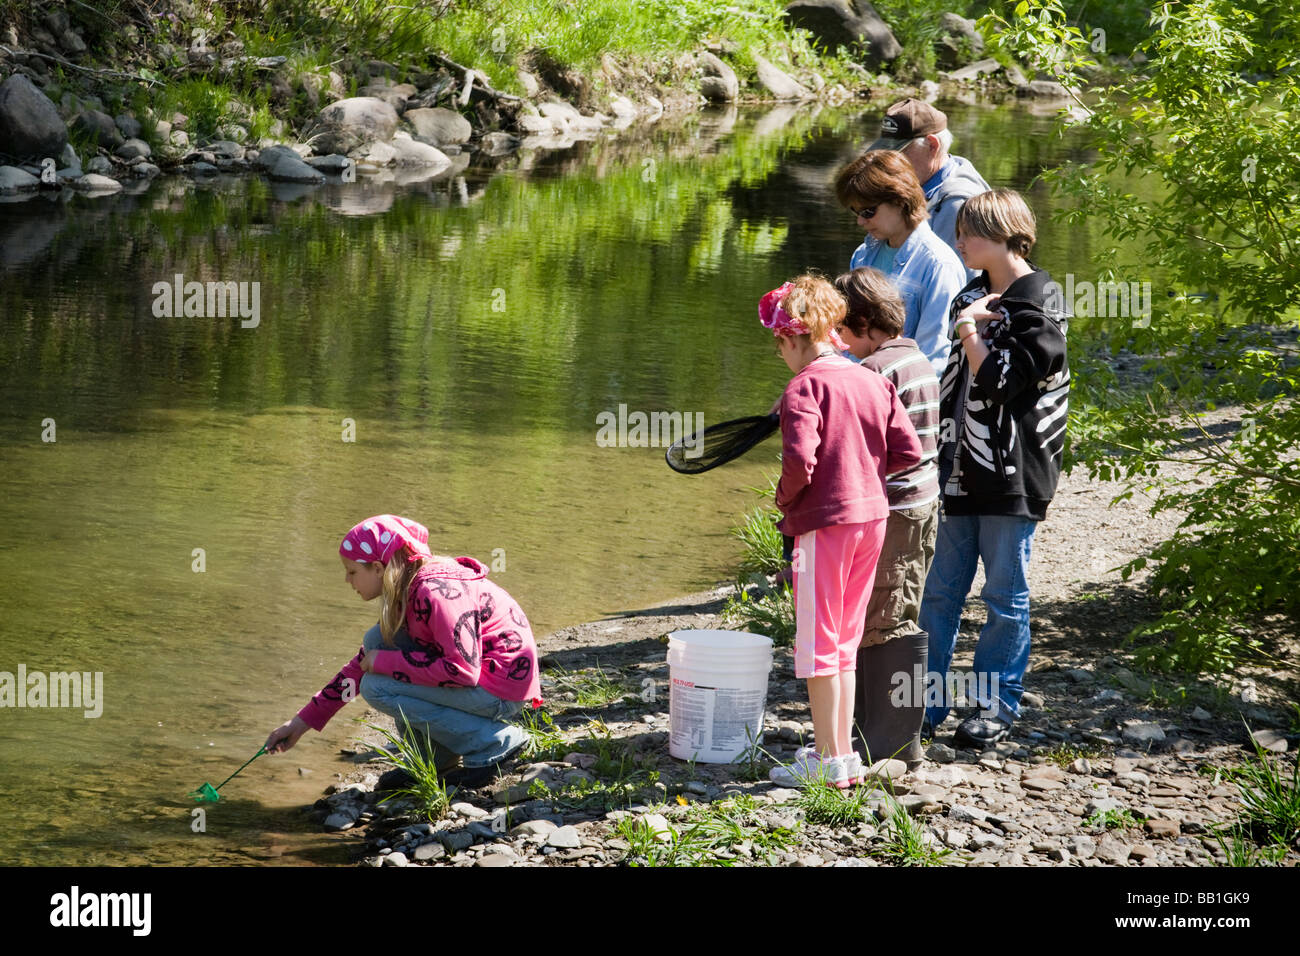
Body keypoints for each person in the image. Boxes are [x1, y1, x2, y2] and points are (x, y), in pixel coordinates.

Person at [919, 189, 1069, 748]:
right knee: (940, 594)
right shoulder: (975, 292)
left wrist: (969, 330)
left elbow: (1003, 383)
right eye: (959, 232)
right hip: (960, 468)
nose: (960, 242)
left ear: (1007, 234)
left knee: (1004, 596)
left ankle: (994, 706)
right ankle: (925, 705)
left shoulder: (1041, 300)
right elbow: (954, 384)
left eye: (970, 233)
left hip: (1013, 472)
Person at [761, 275, 923, 788]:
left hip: (823, 526)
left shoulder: (803, 386)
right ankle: (843, 757)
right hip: (872, 519)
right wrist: (861, 471)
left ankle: (828, 764)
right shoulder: (873, 379)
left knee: (816, 643)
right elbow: (908, 452)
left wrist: (785, 501)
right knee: (845, 642)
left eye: (780, 346)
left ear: (790, 339)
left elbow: (800, 463)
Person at [264, 514, 541, 788]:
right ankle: (434, 759)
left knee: (377, 687)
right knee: (376, 641)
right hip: (485, 684)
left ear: (377, 568)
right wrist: (300, 724)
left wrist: (385, 662)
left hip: (500, 691)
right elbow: (357, 671)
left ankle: (493, 743)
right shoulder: (409, 592)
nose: (347, 581)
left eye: (351, 572)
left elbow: (463, 670)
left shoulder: (437, 593)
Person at [833, 267, 940, 768]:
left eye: (840, 328)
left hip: (893, 509)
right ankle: (874, 731)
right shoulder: (917, 358)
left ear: (862, 322)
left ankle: (895, 743)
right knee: (895, 611)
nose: (834, 340)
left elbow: (861, 451)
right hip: (920, 505)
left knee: (886, 618)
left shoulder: (876, 373)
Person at [834, 149, 967, 378]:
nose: (860, 221)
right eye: (855, 211)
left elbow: (933, 359)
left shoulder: (939, 265)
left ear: (900, 200)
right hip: (856, 389)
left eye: (868, 211)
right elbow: (844, 339)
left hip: (899, 398)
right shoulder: (862, 256)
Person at [868, 97, 991, 276]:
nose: (889, 163)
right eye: (885, 153)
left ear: (933, 145)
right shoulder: (918, 183)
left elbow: (959, 284)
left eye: (900, 153)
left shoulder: (957, 205)